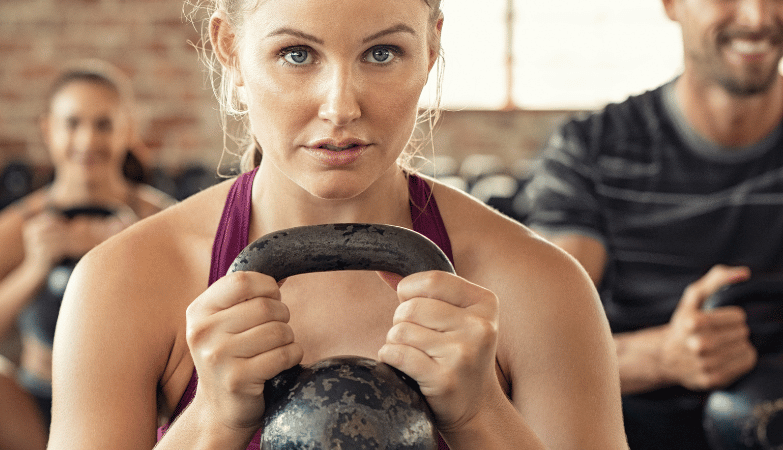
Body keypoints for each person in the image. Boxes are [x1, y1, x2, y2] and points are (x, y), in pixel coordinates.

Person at [47, 0, 630, 448]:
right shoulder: (122, 282)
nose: (341, 106)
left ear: (430, 50)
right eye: (297, 54)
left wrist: (481, 417)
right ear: (231, 51)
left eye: (382, 53)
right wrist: (211, 422)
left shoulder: (542, 285)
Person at [514, 0, 783, 447]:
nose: (756, 17)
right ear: (671, 5)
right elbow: (533, 352)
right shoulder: (591, 150)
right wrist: (662, 356)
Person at [0, 60, 175, 450]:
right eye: (72, 124)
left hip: (135, 408)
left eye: (103, 125)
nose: (87, 141)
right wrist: (34, 268)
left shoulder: (164, 223)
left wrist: (128, 257)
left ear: (127, 129)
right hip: (36, 407)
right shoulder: (9, 233)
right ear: (48, 130)